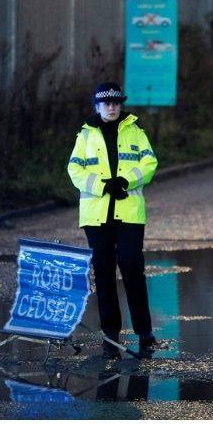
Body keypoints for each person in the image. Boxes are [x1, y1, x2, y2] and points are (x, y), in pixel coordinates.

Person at [66, 82, 159, 357]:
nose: (112, 107)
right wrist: (103, 186)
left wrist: (126, 181)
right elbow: (74, 169)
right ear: (97, 106)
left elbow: (149, 163)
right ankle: (110, 335)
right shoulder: (85, 134)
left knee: (132, 268)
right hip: (96, 215)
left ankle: (144, 332)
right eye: (106, 103)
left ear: (121, 104)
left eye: (116, 102)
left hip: (129, 212)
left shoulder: (135, 130)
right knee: (104, 273)